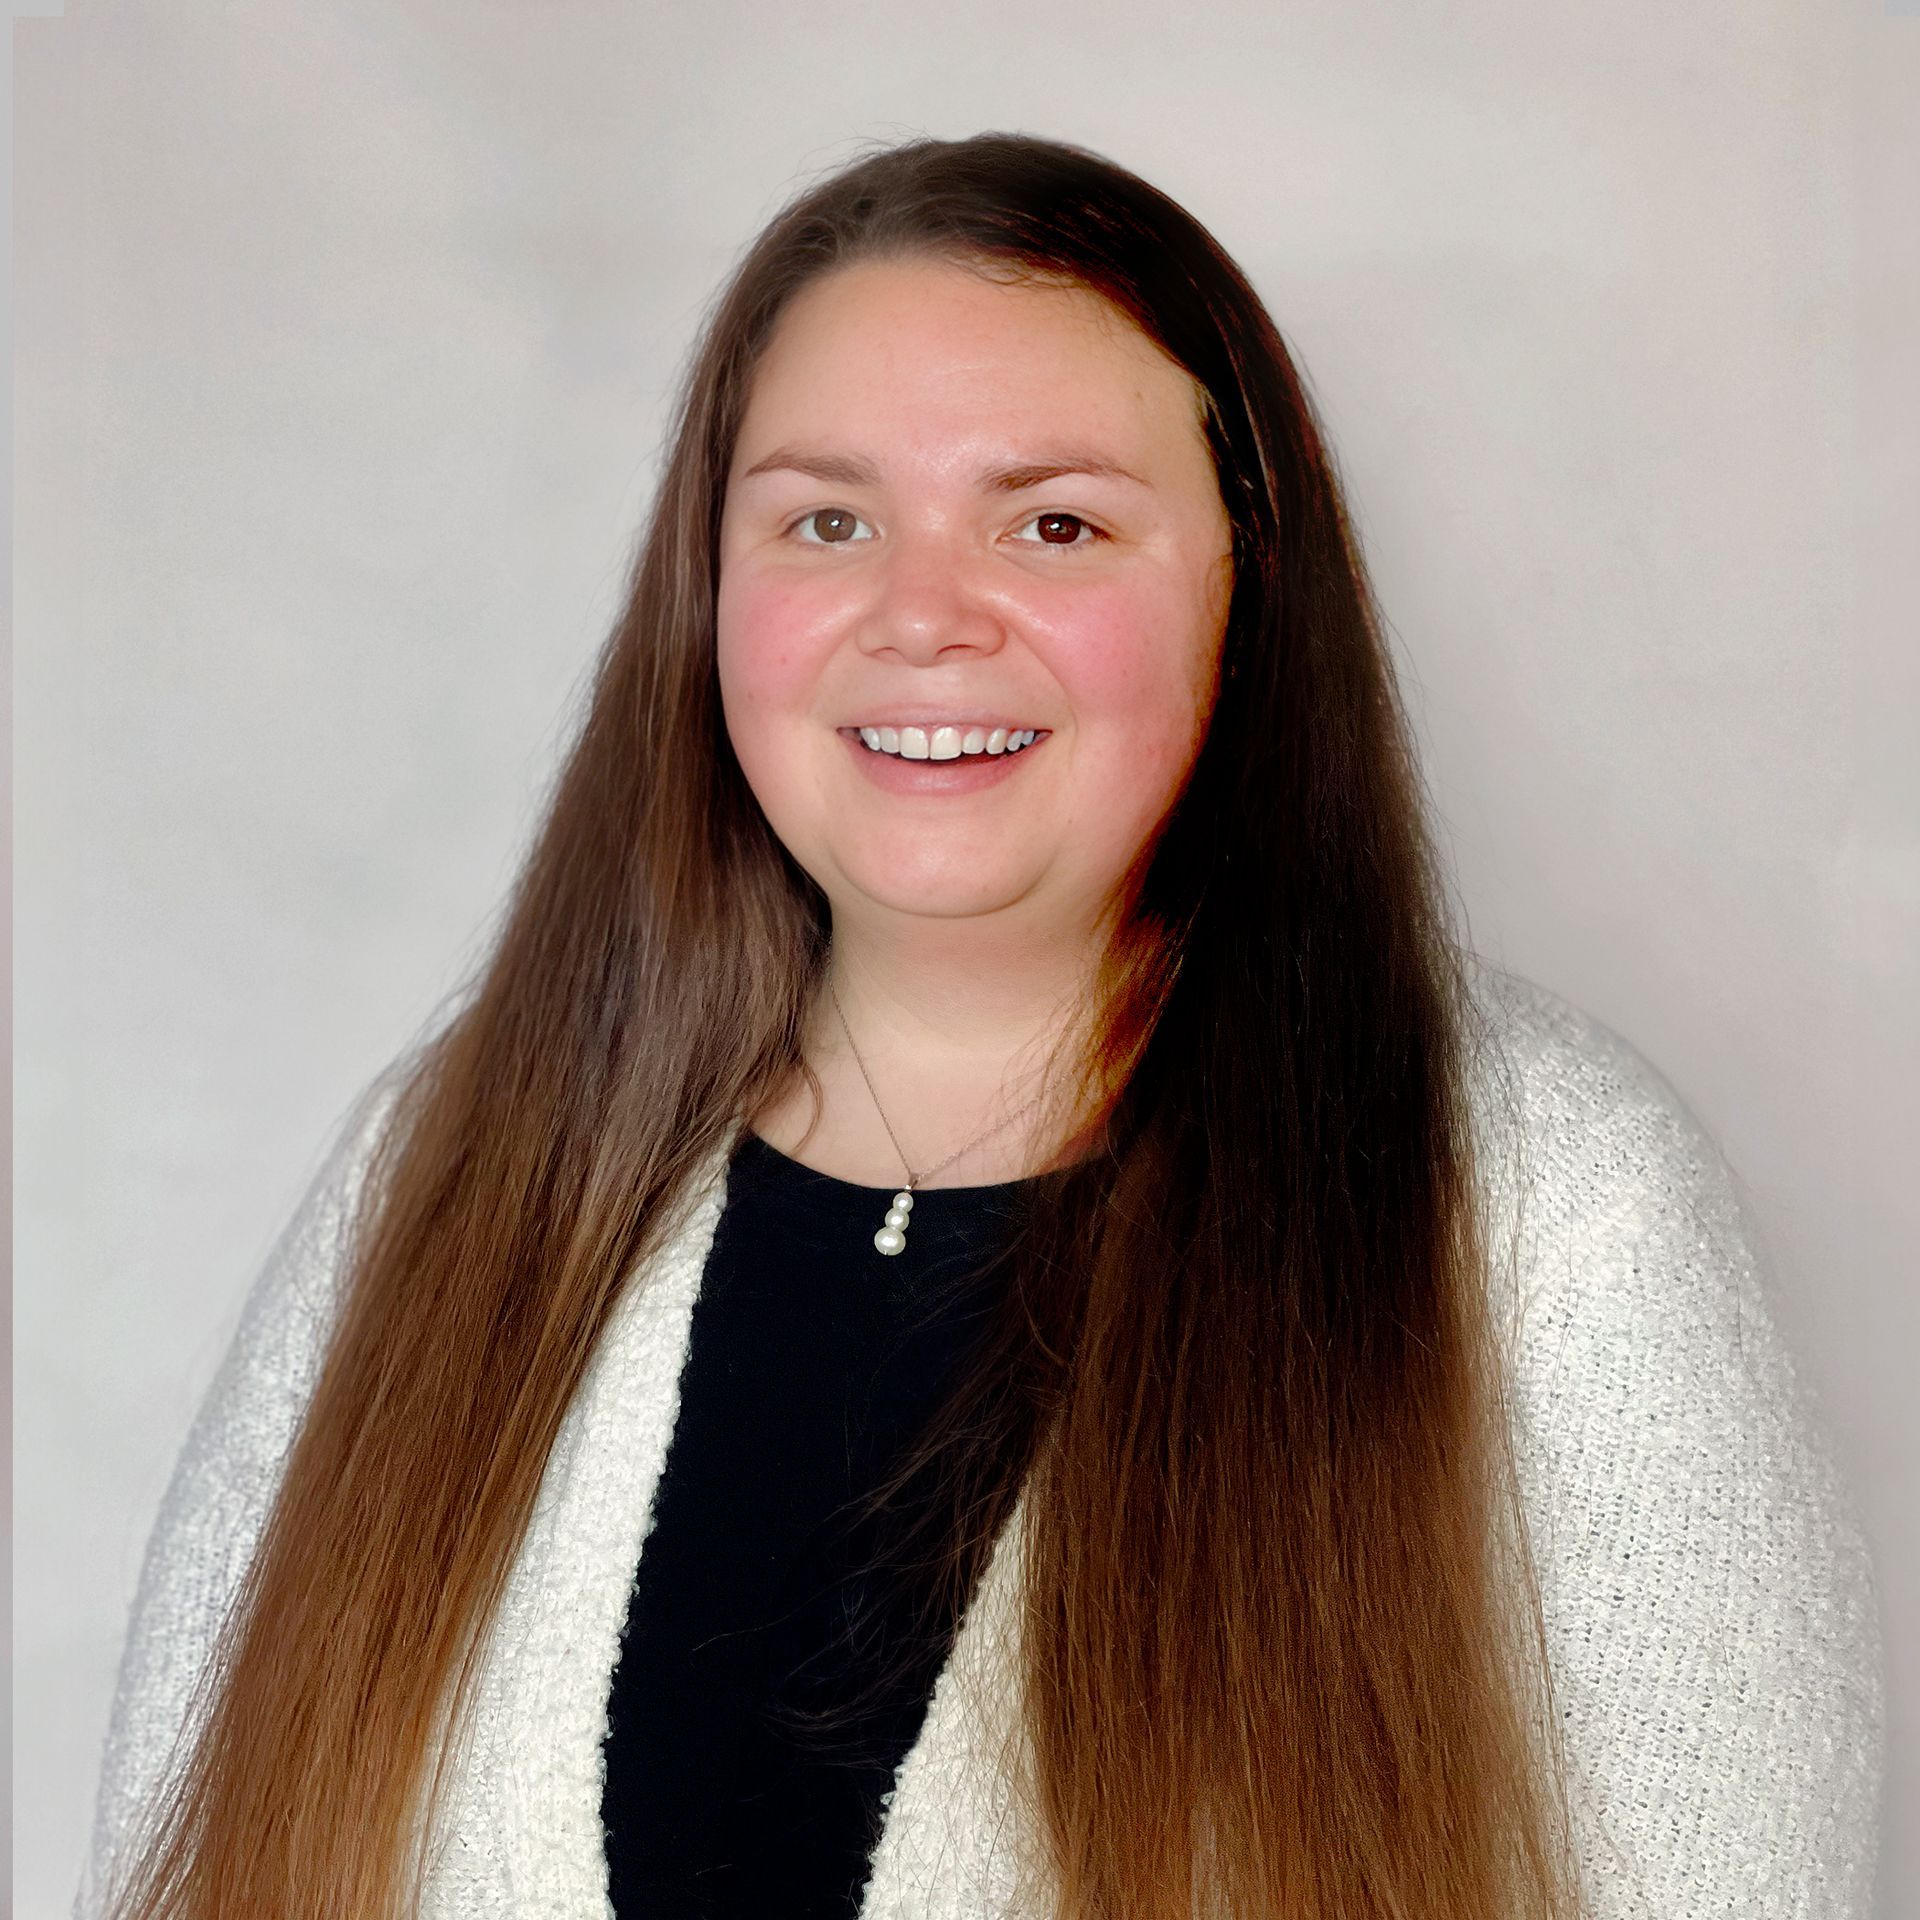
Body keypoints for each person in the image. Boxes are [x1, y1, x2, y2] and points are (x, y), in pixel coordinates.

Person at [74, 131, 1883, 1920]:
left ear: (1249, 595)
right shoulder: (457, 1161)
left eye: (1056, 522)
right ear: (712, 599)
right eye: (828, 519)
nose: (921, 616)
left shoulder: (1552, 1208)